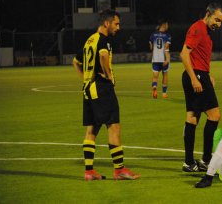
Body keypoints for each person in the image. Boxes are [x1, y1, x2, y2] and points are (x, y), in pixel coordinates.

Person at [73, 9, 140, 181]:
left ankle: (89, 171)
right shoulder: (104, 40)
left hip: (88, 89)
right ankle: (119, 170)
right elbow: (103, 57)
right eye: (116, 23)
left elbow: (76, 61)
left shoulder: (90, 40)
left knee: (92, 130)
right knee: (114, 126)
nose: (118, 27)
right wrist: (109, 76)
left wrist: (86, 79)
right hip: (102, 89)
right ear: (106, 23)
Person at [180, 3, 222, 172]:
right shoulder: (198, 28)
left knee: (192, 118)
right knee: (215, 115)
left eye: (221, 22)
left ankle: (188, 162)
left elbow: (200, 56)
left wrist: (208, 74)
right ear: (208, 14)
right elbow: (184, 54)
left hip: (200, 74)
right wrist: (195, 79)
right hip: (196, 76)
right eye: (216, 20)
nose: (218, 24)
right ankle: (206, 160)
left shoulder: (205, 31)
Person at [149, 19, 171, 98]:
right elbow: (166, 48)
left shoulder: (153, 35)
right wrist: (167, 59)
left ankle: (154, 87)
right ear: (163, 25)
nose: (168, 26)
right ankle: (164, 93)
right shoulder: (167, 36)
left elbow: (151, 48)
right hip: (163, 59)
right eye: (167, 24)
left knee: (155, 76)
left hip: (155, 59)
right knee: (165, 75)